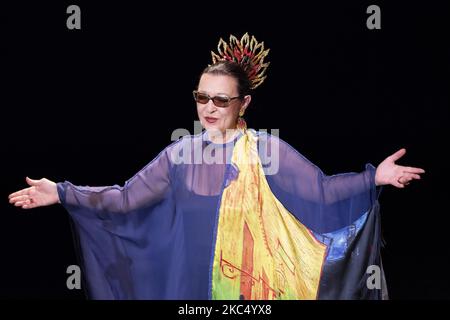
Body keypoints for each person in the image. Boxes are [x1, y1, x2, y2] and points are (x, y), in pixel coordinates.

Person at [8, 33, 424, 300]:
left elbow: (322, 190)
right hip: (190, 293)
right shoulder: (180, 154)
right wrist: (62, 191)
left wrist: (374, 177)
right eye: (201, 97)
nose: (208, 108)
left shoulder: (266, 150)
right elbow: (124, 197)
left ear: (244, 103)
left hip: (251, 293)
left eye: (221, 100)